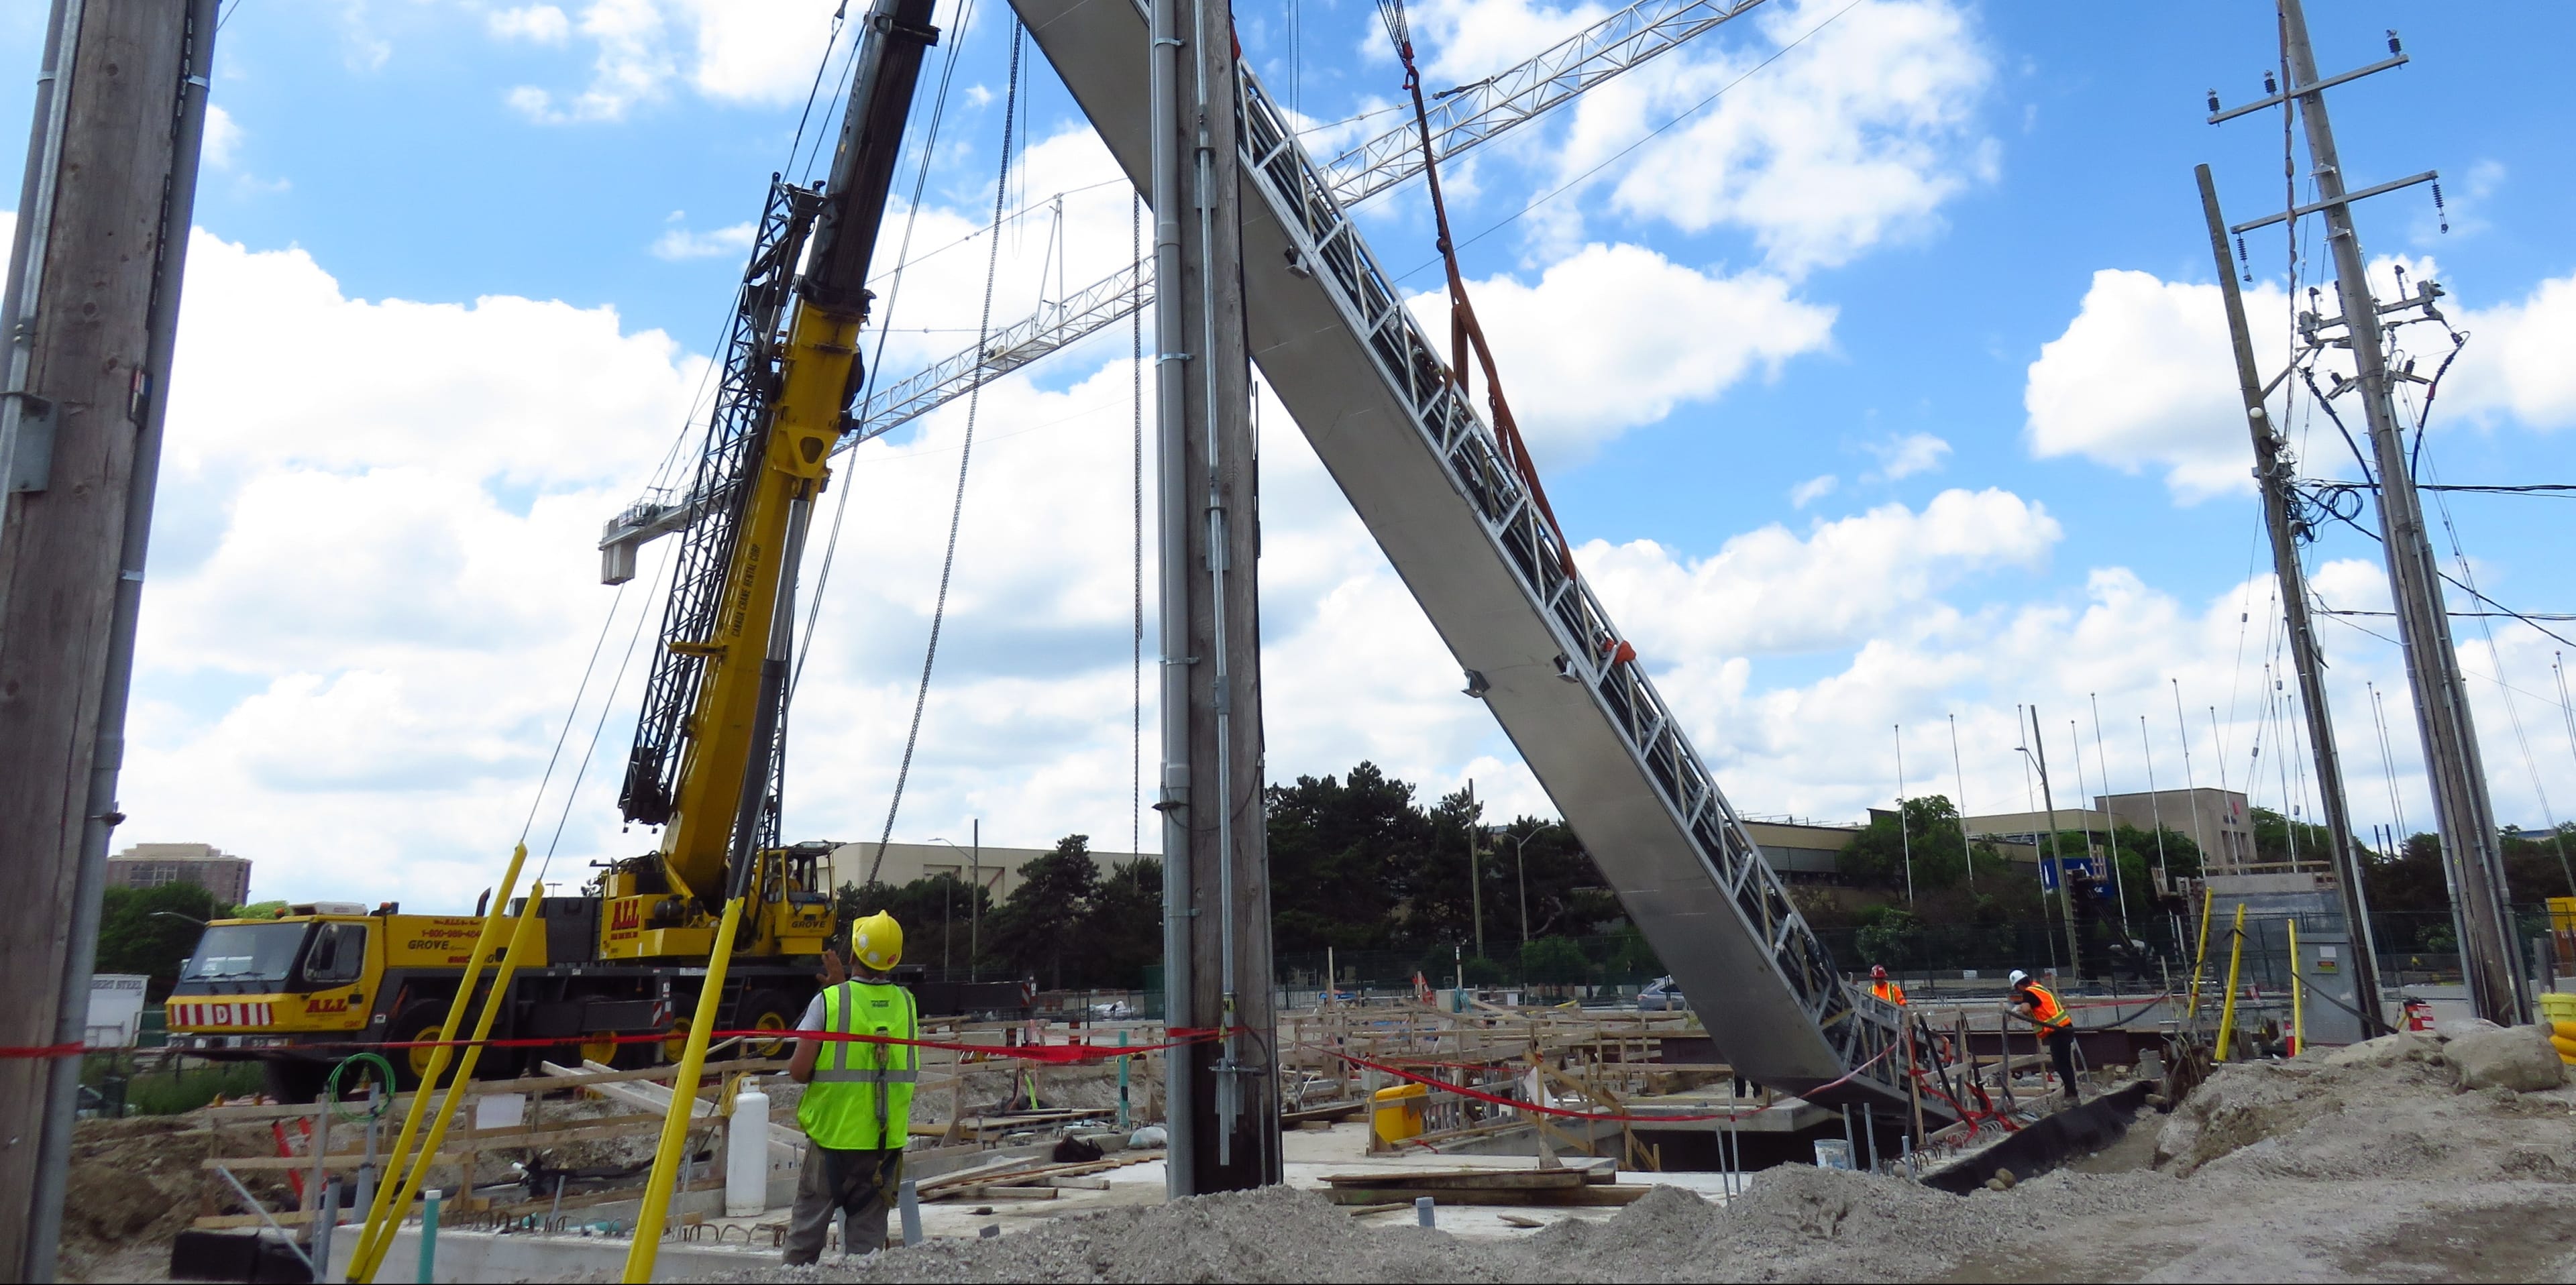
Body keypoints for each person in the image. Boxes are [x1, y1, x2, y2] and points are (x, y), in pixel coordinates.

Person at [782, 911, 918, 1264]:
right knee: (866, 1256)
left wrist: (835, 991)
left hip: (831, 1143)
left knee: (803, 1245)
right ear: (894, 959)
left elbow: (799, 1070)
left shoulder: (829, 1002)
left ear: (853, 953)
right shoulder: (907, 1004)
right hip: (881, 1148)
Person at [2006, 968, 2078, 1105]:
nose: (2018, 991)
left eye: (2017, 989)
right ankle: (2071, 1093)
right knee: (2066, 1064)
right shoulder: (2038, 987)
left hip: (2058, 1032)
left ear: (2019, 985)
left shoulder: (2029, 992)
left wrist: (2018, 1008)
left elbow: (2027, 1009)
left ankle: (2072, 1096)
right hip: (2066, 1027)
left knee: (2061, 1064)